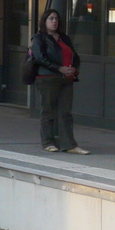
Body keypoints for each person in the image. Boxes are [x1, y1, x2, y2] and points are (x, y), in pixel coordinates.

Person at [31, 8, 89, 155]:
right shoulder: (39, 38)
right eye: (51, 18)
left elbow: (75, 56)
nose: (54, 21)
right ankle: (48, 142)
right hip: (47, 78)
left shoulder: (64, 38)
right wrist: (59, 68)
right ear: (44, 21)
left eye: (56, 19)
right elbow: (40, 58)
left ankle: (69, 144)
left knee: (65, 112)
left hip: (66, 79)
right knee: (48, 111)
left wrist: (73, 69)